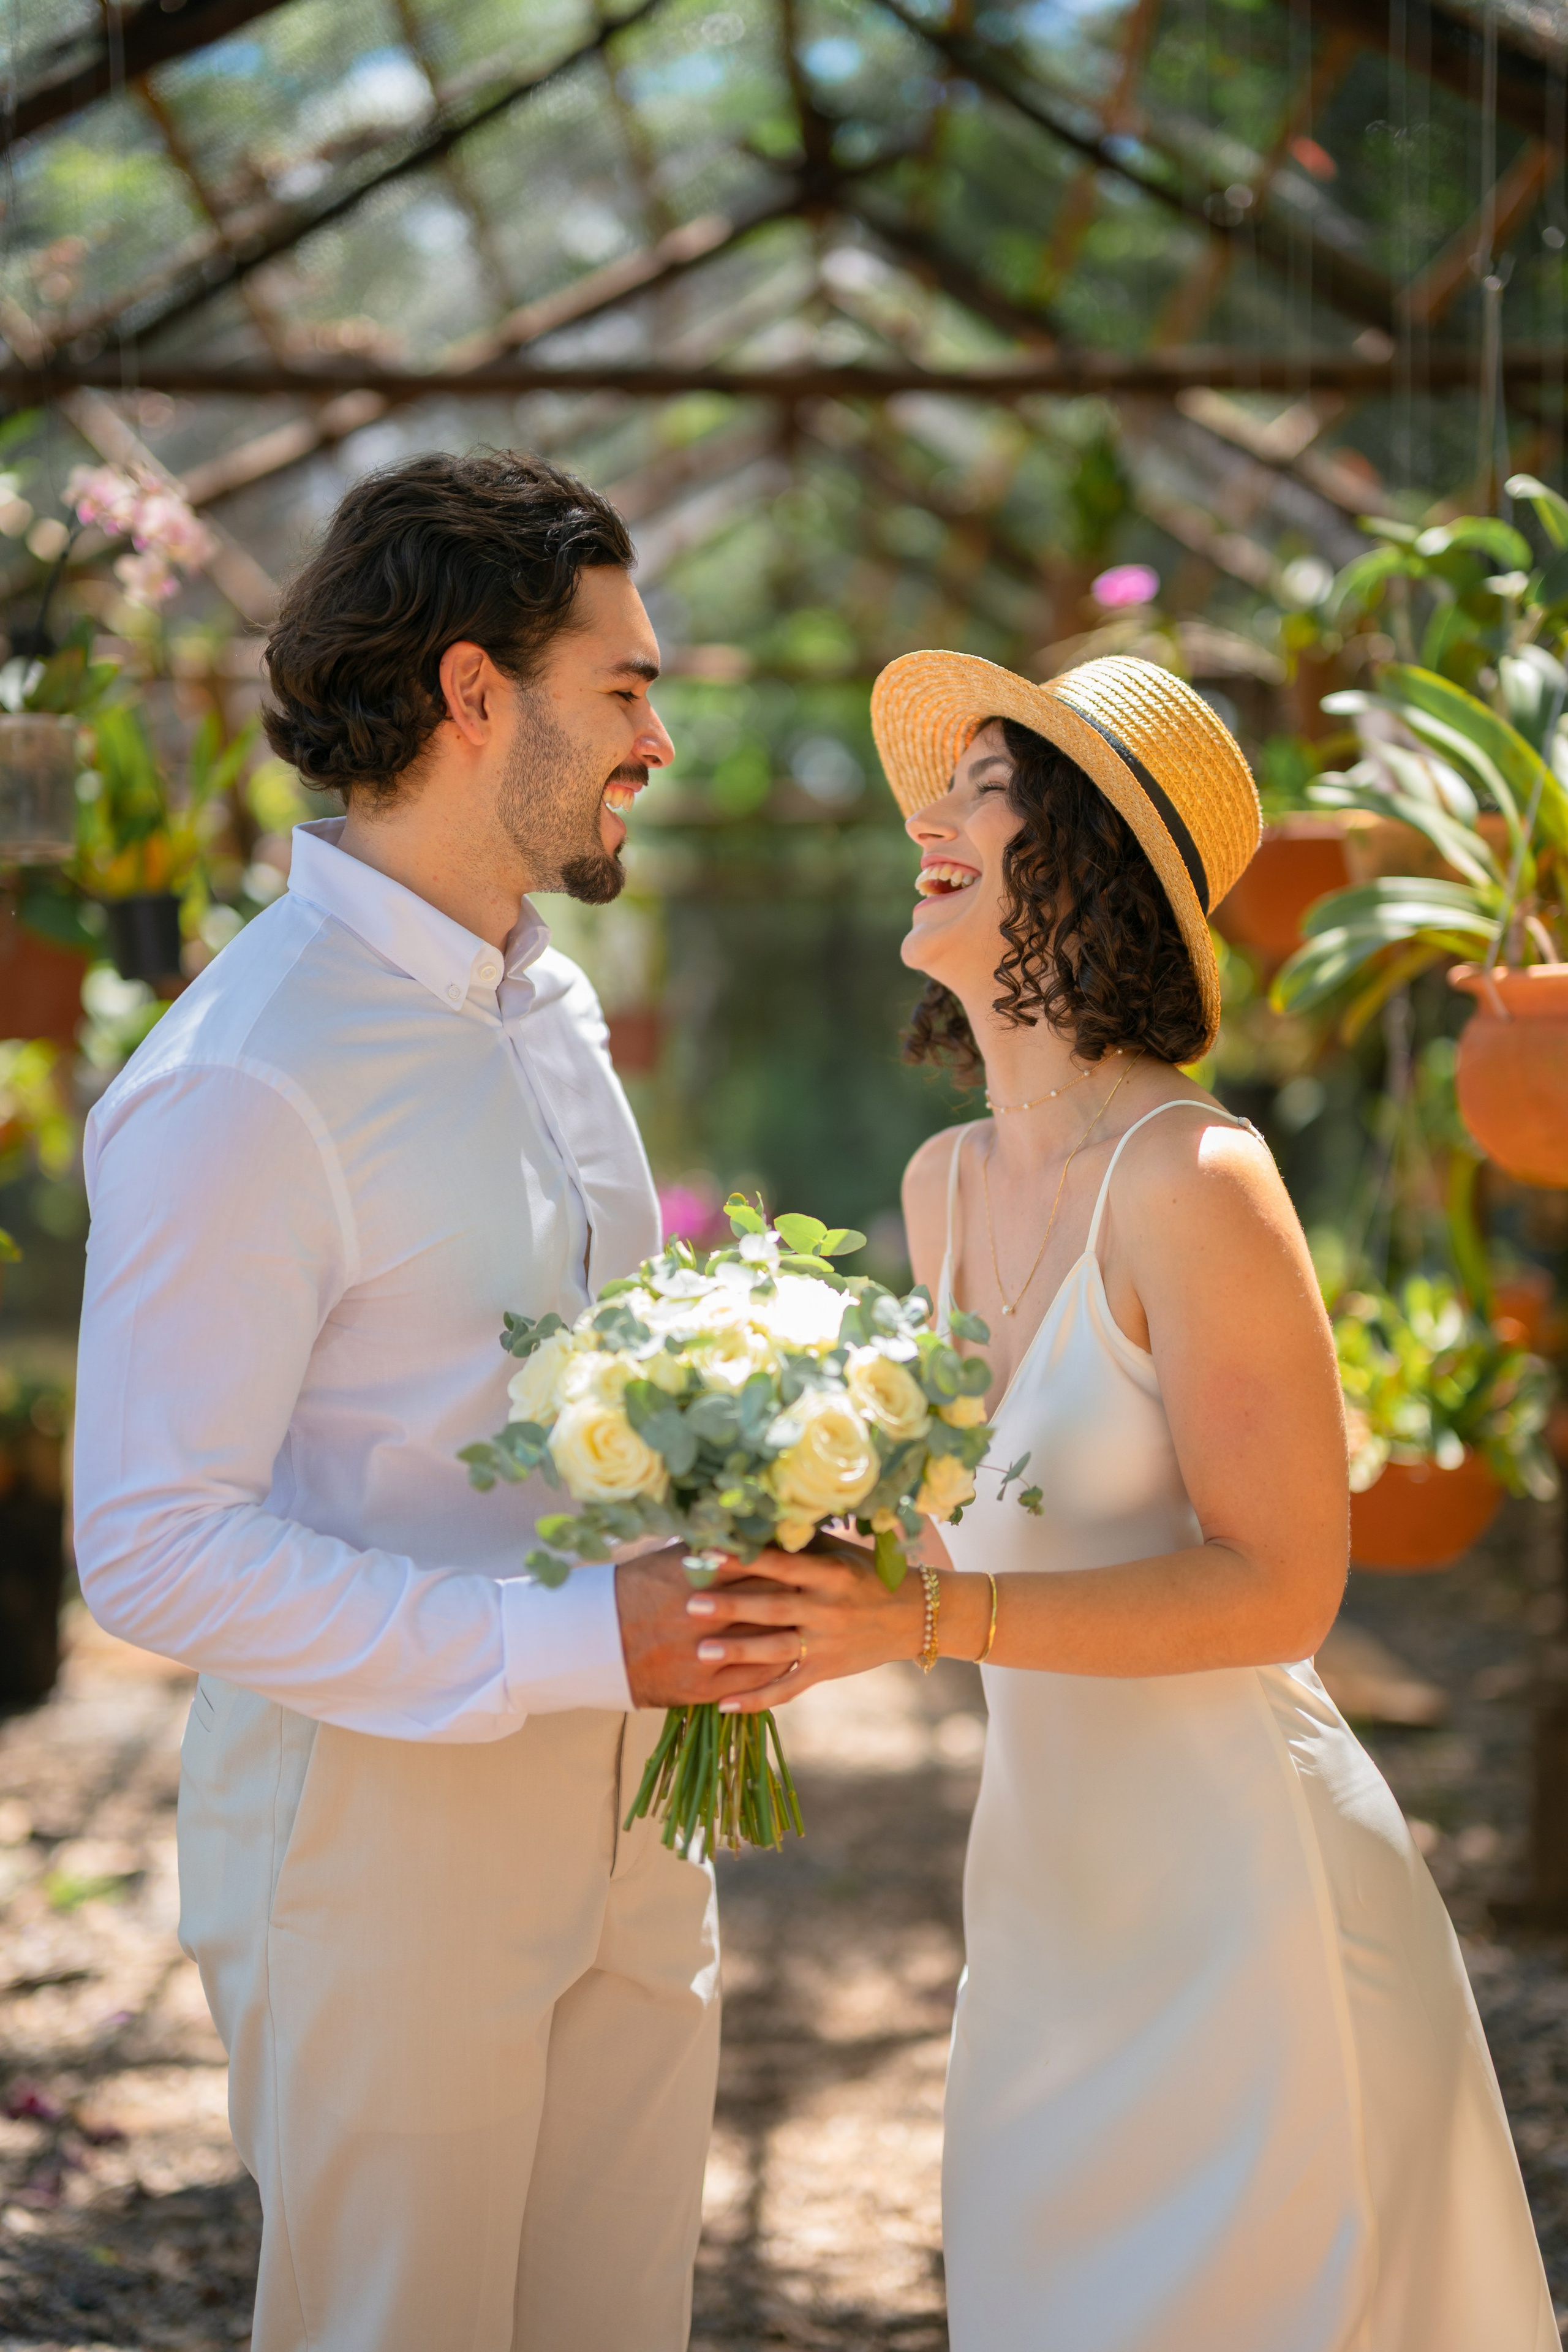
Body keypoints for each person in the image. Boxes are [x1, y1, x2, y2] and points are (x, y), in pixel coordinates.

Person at [689, 651, 1557, 2350]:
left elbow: (1284, 1590)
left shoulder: (1200, 1179)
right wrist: (766, 1524)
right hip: (1045, 1905)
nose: (926, 817)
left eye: (984, 791)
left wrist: (927, 1617)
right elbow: (967, 1539)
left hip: (1248, 1910)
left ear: (1086, 863)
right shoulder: (941, 1189)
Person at [71, 450, 785, 2352]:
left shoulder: (542, 1005)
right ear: (480, 694)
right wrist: (571, 1640)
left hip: (642, 1803)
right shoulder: (245, 1074)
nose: (657, 731)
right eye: (624, 685)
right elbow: (149, 1549)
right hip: (379, 1842)